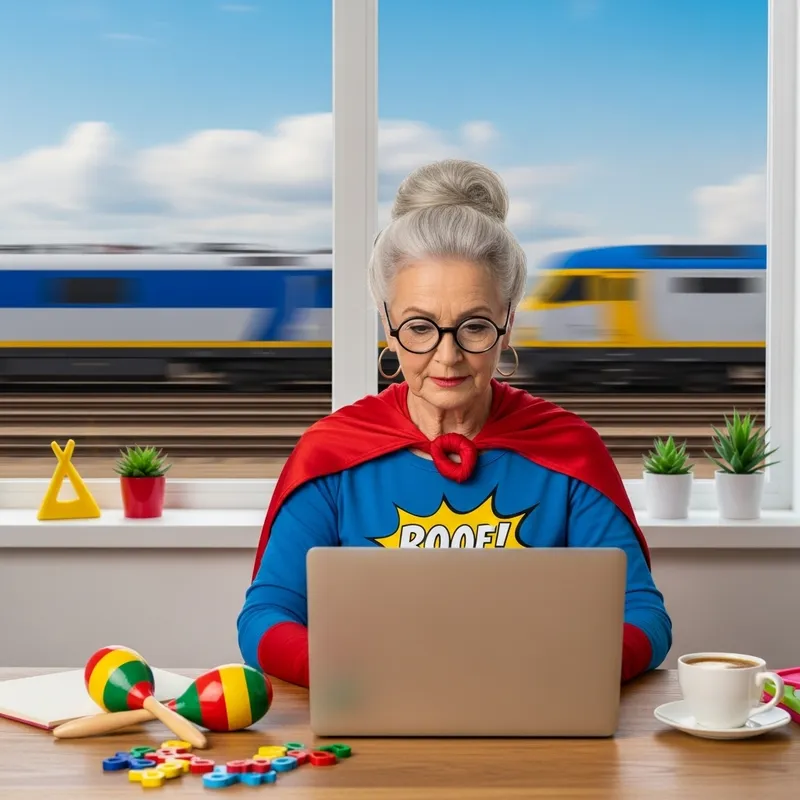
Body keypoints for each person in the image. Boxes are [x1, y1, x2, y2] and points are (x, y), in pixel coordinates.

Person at [237, 158, 672, 687]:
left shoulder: (569, 451)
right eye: (420, 327)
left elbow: (644, 616)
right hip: (368, 718)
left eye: (474, 326)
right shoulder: (331, 453)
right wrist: (348, 673)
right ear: (388, 324)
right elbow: (265, 617)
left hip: (537, 718)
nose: (447, 358)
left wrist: (567, 668)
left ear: (508, 323)